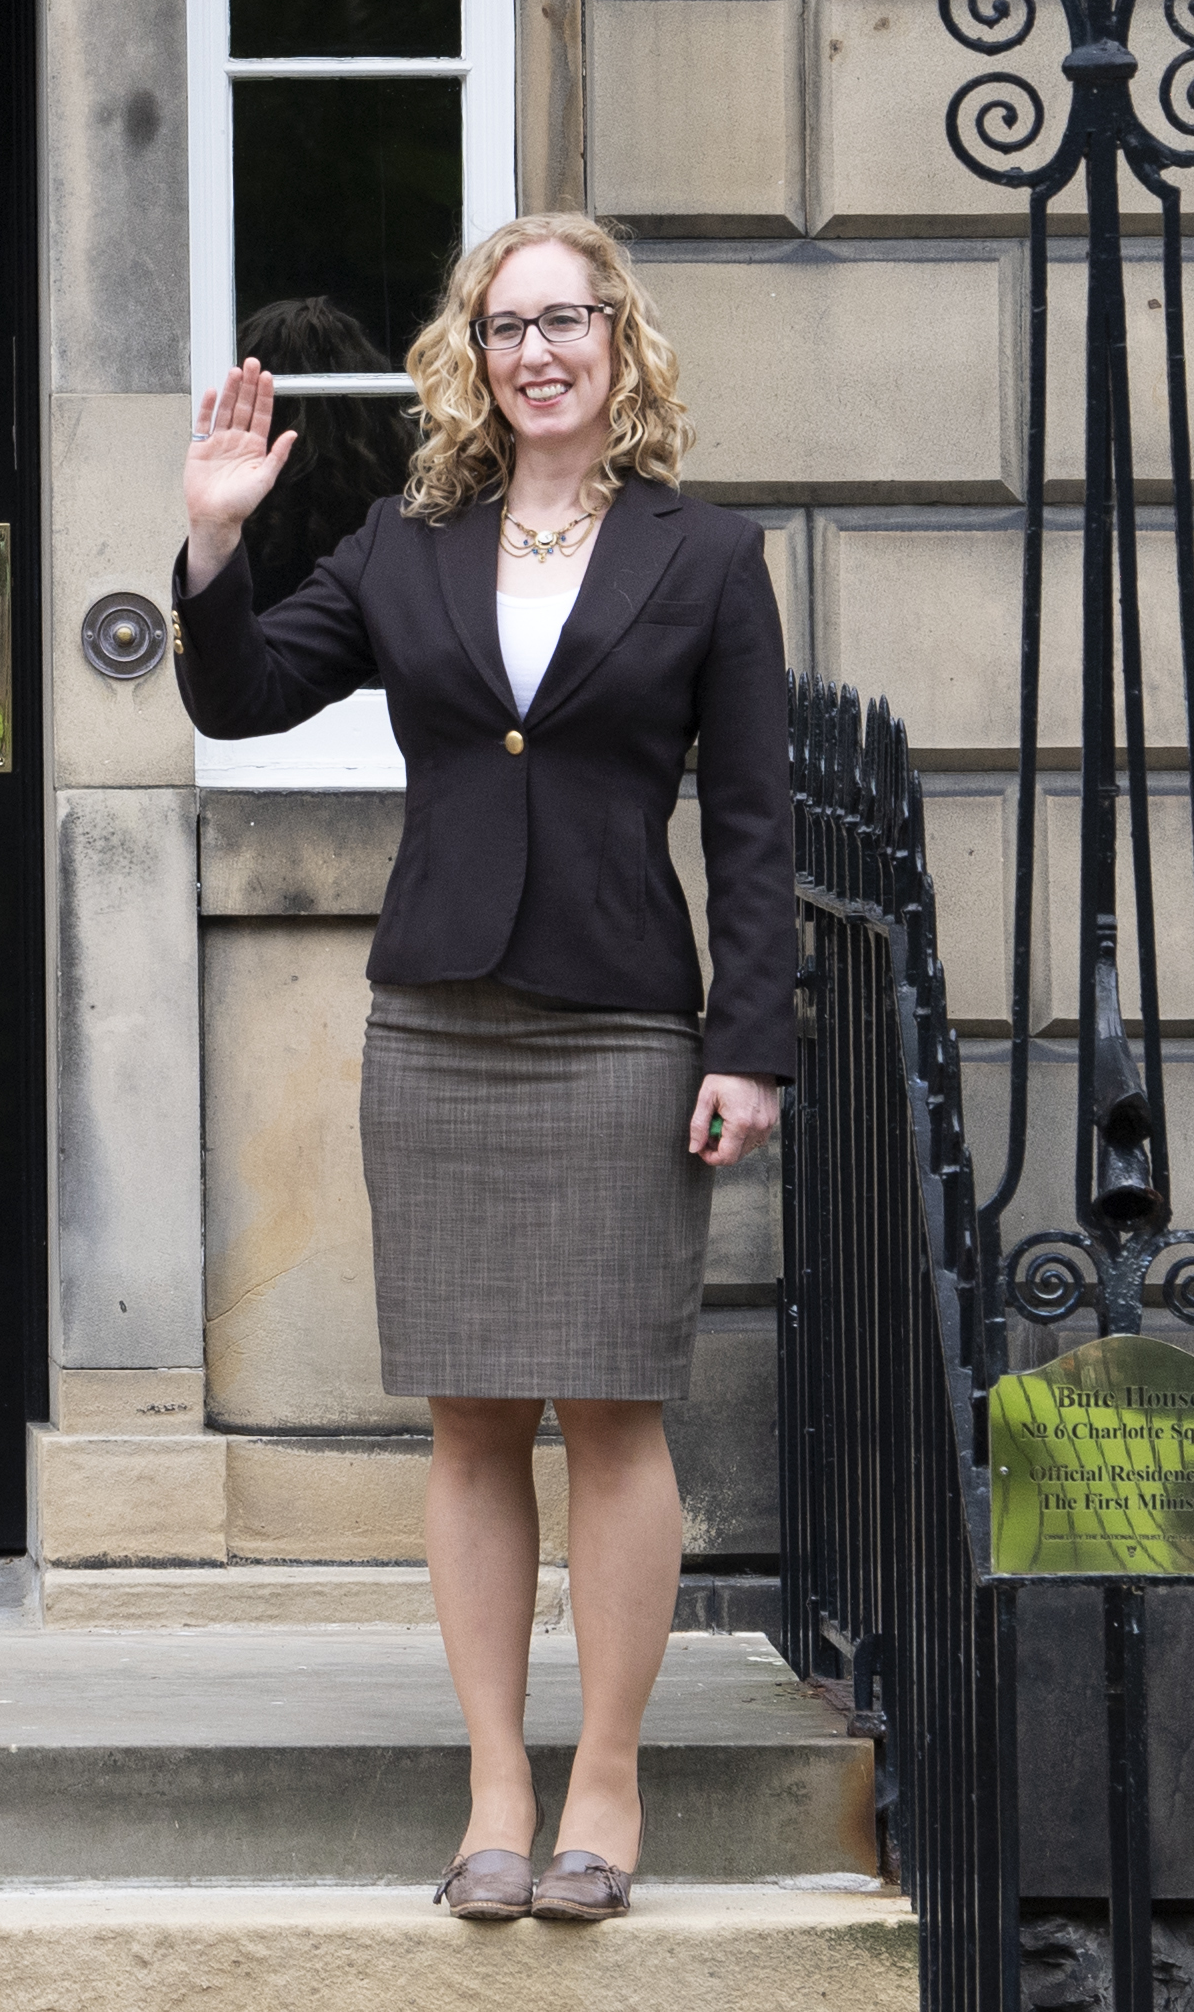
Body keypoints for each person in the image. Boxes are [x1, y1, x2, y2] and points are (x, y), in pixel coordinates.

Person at [170, 212, 790, 1924]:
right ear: (472, 352)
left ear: (618, 344)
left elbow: (748, 823)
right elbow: (243, 701)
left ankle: (604, 1769)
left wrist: (750, 1041)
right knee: (463, 1416)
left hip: (613, 1021)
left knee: (608, 1406)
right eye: (506, 324)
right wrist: (213, 549)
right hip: (437, 1018)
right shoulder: (401, 542)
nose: (538, 351)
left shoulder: (705, 555)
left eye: (567, 321)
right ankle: (493, 1784)